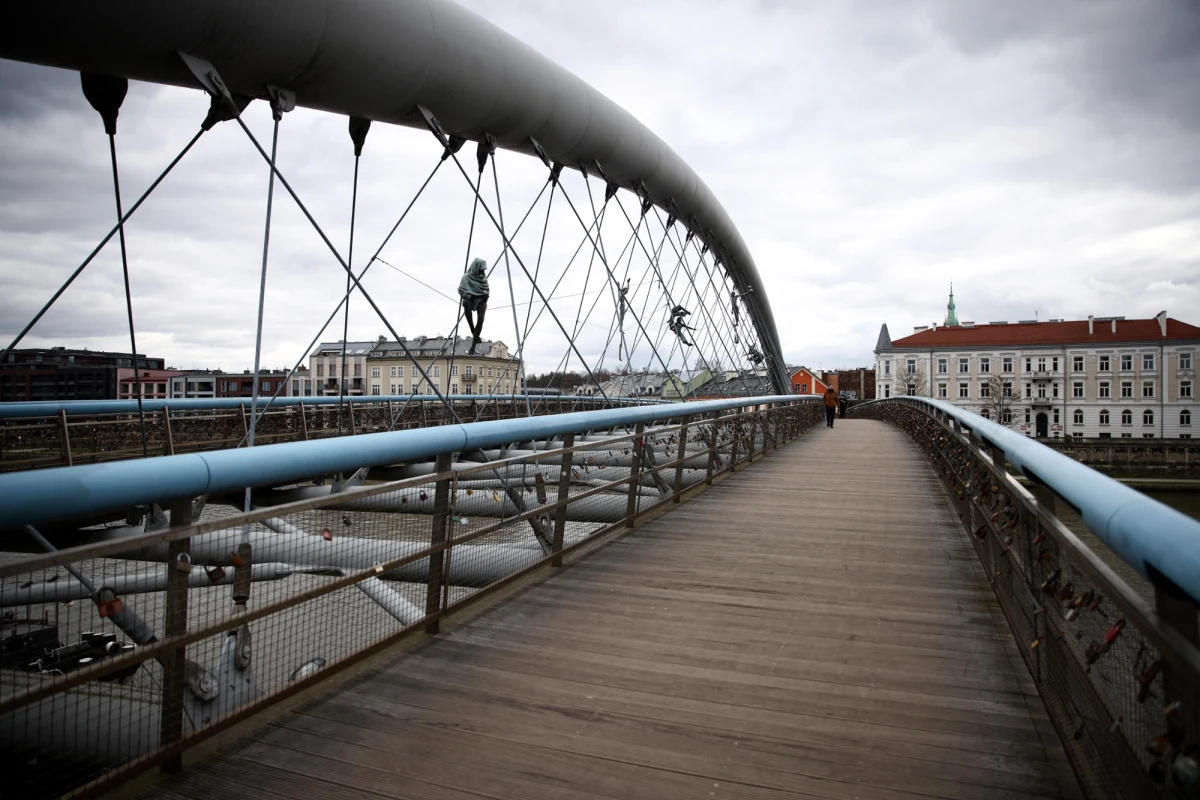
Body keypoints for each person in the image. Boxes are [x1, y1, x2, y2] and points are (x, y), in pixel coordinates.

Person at [458, 258, 489, 354]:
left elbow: (486, 291)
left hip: (481, 299)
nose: (482, 271)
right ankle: (472, 329)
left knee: (480, 320)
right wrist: (470, 295)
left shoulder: (483, 279)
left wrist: (482, 295)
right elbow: (461, 290)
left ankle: (473, 345)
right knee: (465, 302)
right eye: (481, 269)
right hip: (470, 299)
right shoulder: (466, 277)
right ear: (476, 268)